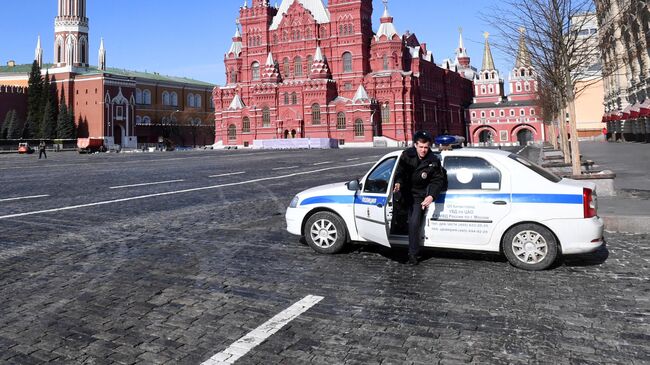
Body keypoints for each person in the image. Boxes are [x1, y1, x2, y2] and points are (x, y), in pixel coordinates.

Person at [393, 131, 446, 265]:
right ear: (415, 145)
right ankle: (393, 245)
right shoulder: (406, 155)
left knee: (414, 223)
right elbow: (399, 171)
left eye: (426, 147)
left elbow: (438, 180)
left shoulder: (433, 161)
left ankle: (413, 255)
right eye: (421, 147)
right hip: (404, 193)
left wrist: (431, 195)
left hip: (419, 196)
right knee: (396, 219)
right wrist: (398, 182)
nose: (423, 150)